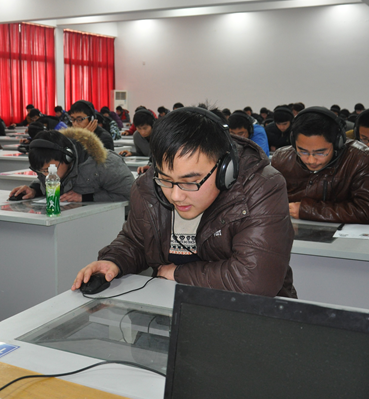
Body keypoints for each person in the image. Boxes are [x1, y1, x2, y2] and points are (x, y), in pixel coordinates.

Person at [71, 107, 296, 298]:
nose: (176, 195)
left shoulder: (261, 187)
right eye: (166, 179)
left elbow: (255, 279)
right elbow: (136, 241)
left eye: (190, 182)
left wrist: (177, 273)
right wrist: (114, 261)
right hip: (169, 306)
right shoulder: (149, 186)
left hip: (245, 315)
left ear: (224, 172)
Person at [271, 107, 369, 224]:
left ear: (337, 143)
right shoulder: (281, 159)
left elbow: (368, 211)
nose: (311, 160)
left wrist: (307, 210)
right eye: (303, 151)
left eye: (320, 152)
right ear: (294, 143)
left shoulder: (360, 158)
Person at [9, 128, 133, 203]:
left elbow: (131, 195)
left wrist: (86, 197)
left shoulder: (105, 163)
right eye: (42, 171)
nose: (46, 176)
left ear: (67, 157)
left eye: (49, 170)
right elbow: (46, 181)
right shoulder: (52, 168)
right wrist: (34, 190)